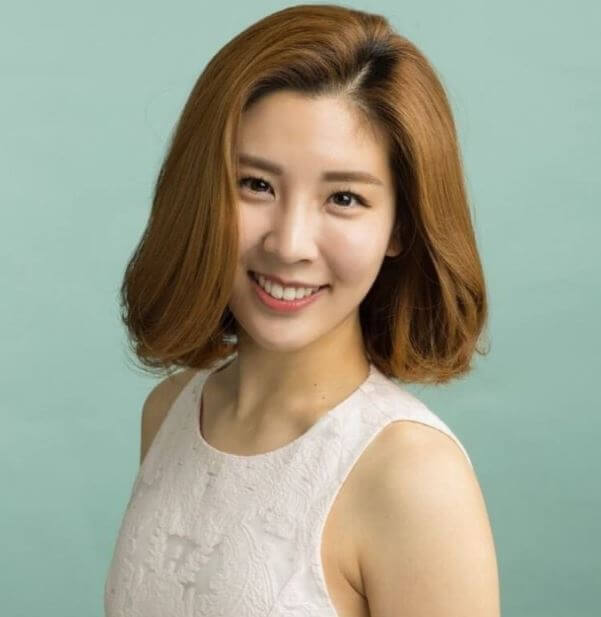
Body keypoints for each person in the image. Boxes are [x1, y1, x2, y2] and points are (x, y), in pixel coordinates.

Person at [104, 4, 500, 616]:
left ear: (401, 226)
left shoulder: (412, 476)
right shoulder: (169, 411)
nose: (289, 244)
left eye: (344, 198)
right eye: (256, 185)